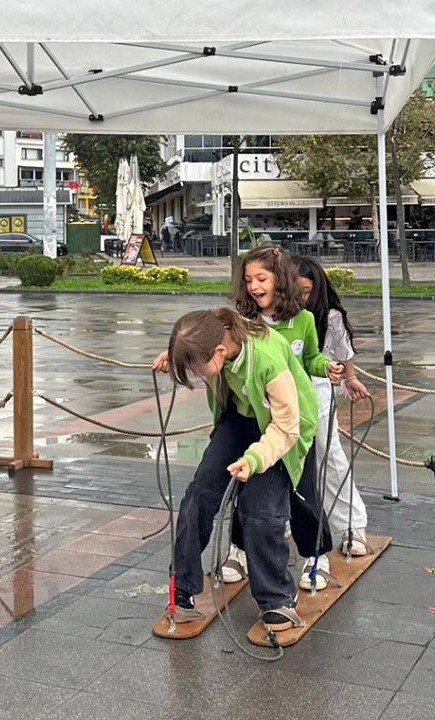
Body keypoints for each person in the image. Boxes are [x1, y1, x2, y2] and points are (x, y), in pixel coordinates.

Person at [152, 308, 303, 633]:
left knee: (258, 509)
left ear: (220, 351)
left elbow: (289, 426)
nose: (195, 374)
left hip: (283, 429)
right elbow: (199, 343)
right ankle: (183, 588)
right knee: (199, 495)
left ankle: (278, 598)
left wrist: (256, 459)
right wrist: (178, 356)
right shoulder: (215, 338)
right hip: (240, 418)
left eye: (195, 368)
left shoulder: (266, 358)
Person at [230, 246, 342, 591]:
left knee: (302, 488)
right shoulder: (243, 322)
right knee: (247, 483)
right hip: (256, 418)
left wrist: (328, 367)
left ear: (280, 280)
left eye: (261, 278)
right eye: (248, 280)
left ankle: (317, 554)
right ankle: (239, 551)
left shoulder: (304, 320)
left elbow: (310, 359)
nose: (253, 286)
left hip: (294, 421)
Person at [294, 256, 371, 556]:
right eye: (295, 289)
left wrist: (350, 378)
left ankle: (352, 524)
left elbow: (344, 351)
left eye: (306, 290)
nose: (301, 297)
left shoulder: (329, 316)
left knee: (329, 454)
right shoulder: (277, 313)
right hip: (278, 392)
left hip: (317, 388)